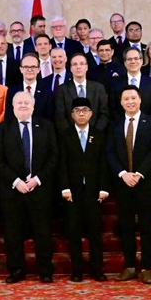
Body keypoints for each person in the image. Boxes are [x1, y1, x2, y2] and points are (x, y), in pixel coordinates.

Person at [0, 91, 58, 284]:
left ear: (33, 106)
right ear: (12, 107)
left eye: (26, 103)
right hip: (13, 191)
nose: (23, 106)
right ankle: (16, 270)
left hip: (40, 190)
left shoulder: (46, 126)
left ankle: (45, 270)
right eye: (19, 103)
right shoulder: (3, 129)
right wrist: (16, 181)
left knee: (43, 233)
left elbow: (53, 157)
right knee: (13, 234)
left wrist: (37, 179)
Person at [107, 85, 151, 285]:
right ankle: (130, 266)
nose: (130, 102)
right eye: (126, 99)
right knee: (126, 225)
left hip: (145, 181)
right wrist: (123, 174)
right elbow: (110, 152)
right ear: (121, 102)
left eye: (133, 98)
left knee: (147, 225)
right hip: (123, 183)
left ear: (140, 100)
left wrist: (138, 174)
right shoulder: (115, 124)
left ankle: (147, 268)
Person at [57, 97, 110, 282]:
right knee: (74, 233)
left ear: (91, 113)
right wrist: (64, 188)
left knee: (95, 232)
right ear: (71, 114)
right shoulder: (64, 135)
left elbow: (103, 163)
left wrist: (104, 188)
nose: (81, 113)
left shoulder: (99, 134)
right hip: (72, 192)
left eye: (85, 110)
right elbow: (61, 163)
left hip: (94, 192)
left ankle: (97, 270)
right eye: (77, 110)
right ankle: (77, 270)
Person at [55, 54, 110, 132]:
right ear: (70, 68)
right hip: (70, 137)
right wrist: (71, 135)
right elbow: (60, 116)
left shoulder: (98, 88)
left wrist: (95, 133)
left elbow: (104, 114)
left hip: (96, 135)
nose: (78, 67)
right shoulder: (62, 89)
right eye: (75, 64)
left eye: (81, 63)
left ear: (86, 67)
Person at [110, 47, 151, 118]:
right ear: (125, 62)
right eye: (129, 59)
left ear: (141, 61)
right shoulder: (115, 83)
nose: (133, 61)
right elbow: (113, 108)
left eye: (136, 58)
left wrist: (147, 124)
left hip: (148, 126)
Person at [5, 53, 55, 122]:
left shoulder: (47, 92)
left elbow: (49, 118)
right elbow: (9, 117)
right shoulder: (12, 91)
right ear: (21, 69)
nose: (30, 70)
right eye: (26, 67)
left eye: (33, 67)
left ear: (38, 69)